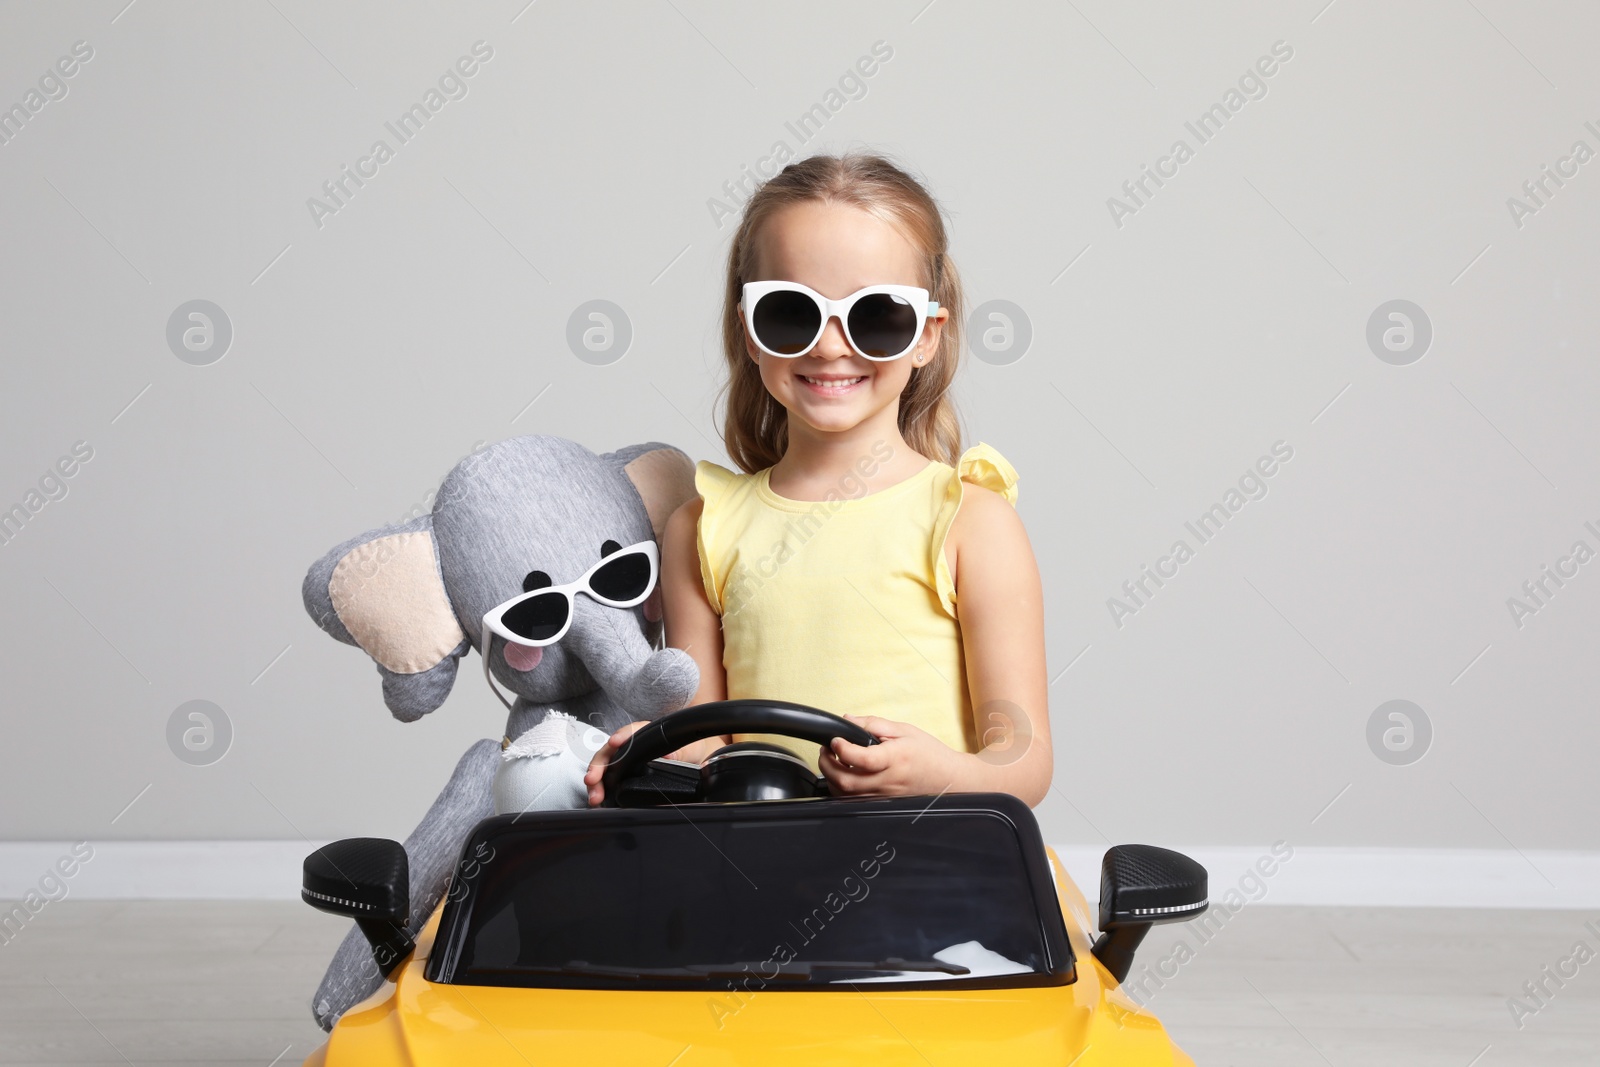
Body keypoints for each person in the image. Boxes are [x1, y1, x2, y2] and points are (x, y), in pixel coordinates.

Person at [585, 152, 1052, 807]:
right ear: (749, 329)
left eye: (876, 316)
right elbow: (704, 739)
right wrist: (649, 749)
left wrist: (943, 773)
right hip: (760, 870)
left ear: (925, 336)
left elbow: (1023, 757)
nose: (830, 346)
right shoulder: (701, 529)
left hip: (937, 872)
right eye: (791, 313)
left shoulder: (973, 522)